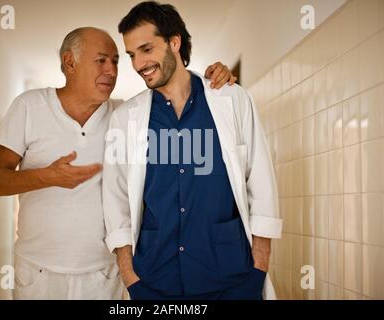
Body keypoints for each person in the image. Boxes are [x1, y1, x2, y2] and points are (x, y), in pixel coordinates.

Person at [0, 26, 236, 299]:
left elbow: (179, 95)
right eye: (101, 60)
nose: (112, 71)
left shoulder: (126, 116)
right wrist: (49, 176)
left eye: (116, 61)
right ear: (70, 62)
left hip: (104, 273)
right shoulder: (29, 106)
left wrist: (213, 82)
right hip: (38, 271)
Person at [103, 1, 282, 300]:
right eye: (132, 55)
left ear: (174, 42)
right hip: (154, 281)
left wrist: (258, 270)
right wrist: (130, 276)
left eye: (147, 49)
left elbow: (261, 182)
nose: (137, 64)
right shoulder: (125, 119)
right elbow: (116, 200)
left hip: (232, 279)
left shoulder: (232, 100)